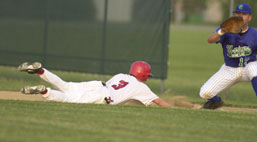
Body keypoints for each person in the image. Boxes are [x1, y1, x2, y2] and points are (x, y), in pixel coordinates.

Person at [199, 3, 257, 113]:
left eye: (244, 14)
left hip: (248, 66)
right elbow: (210, 40)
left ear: (250, 17)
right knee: (204, 92)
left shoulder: (256, 35)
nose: (240, 16)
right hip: (230, 69)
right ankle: (215, 102)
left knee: (254, 69)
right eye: (238, 13)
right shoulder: (225, 30)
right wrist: (221, 32)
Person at [19, 61, 171, 107]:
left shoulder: (121, 75)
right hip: (101, 96)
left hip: (97, 85)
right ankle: (45, 91)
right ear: (143, 74)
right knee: (67, 99)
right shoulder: (142, 87)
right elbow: (159, 101)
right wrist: (172, 108)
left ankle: (41, 71)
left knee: (66, 86)